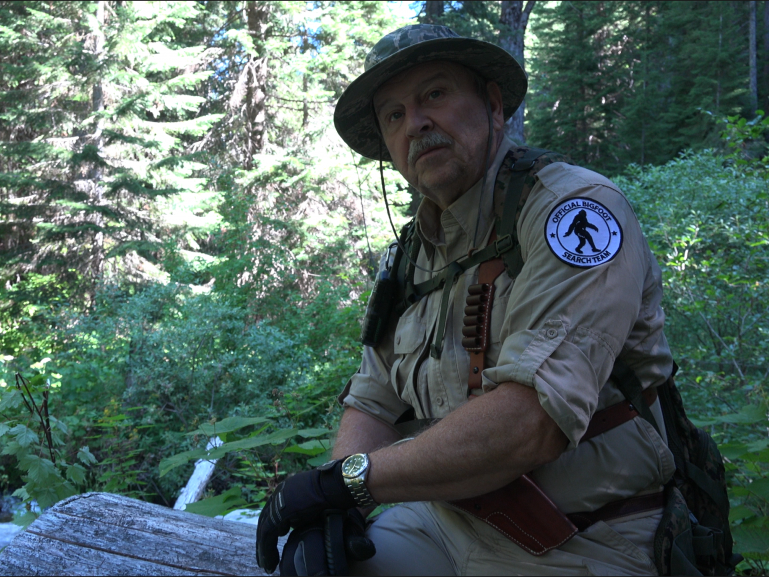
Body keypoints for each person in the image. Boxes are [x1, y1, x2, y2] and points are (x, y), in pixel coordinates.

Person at [256, 24, 676, 576]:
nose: (417, 123)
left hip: (586, 538)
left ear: (493, 105)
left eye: (435, 94)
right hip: (443, 523)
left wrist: (346, 483)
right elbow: (375, 399)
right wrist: (336, 509)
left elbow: (532, 421)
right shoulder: (410, 254)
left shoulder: (573, 211)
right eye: (394, 115)